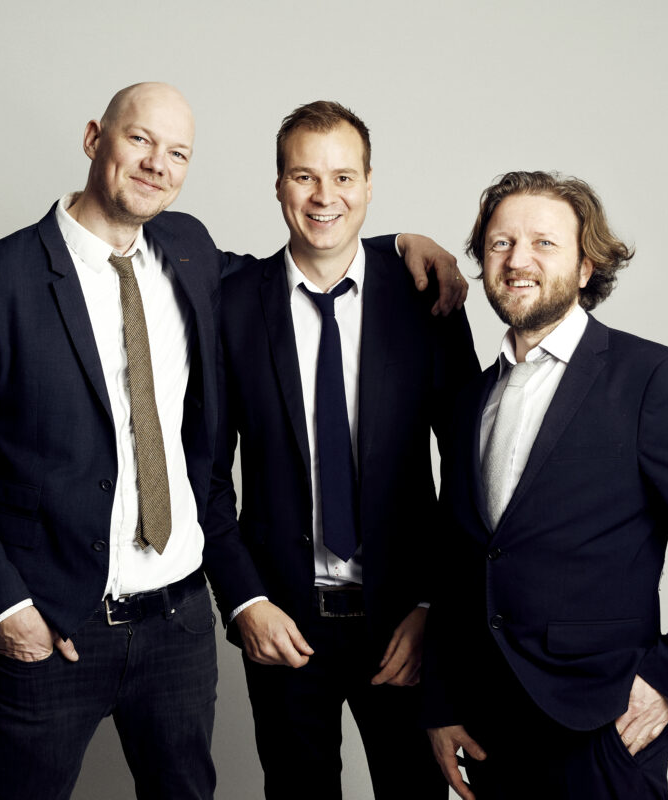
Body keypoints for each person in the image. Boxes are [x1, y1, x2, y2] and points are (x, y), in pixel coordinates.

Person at [0, 82, 466, 800]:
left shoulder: (194, 251)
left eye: (176, 152)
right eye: (139, 140)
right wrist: (4, 607)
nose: (156, 164)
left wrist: (399, 244)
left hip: (202, 625)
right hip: (68, 623)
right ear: (94, 139)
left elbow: (304, 270)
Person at [423, 171, 668, 800]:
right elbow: (462, 562)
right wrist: (442, 700)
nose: (518, 261)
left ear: (586, 266)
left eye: (544, 243)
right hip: (491, 728)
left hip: (601, 726)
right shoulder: (467, 400)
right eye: (501, 244)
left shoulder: (651, 379)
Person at [202, 100, 481, 799]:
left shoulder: (427, 300)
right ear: (277, 186)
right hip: (284, 623)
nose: (325, 196)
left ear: (370, 183)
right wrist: (243, 601)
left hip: (405, 626)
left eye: (343, 177)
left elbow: (472, 471)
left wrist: (431, 608)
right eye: (304, 176)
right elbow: (203, 474)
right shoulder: (231, 305)